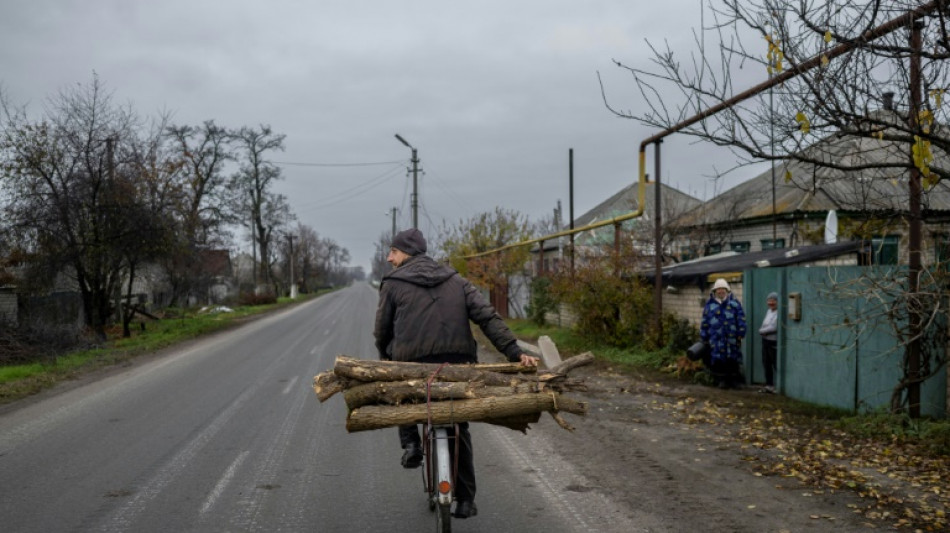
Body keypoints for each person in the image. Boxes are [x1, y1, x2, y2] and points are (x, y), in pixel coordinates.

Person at [373, 228, 539, 520]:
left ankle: (412, 443)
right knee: (458, 423)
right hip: (457, 364)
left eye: (393, 252)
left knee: (401, 389)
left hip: (413, 364)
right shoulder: (456, 279)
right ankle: (465, 501)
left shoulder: (392, 283)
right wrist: (514, 351)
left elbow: (381, 330)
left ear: (406, 253)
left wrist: (386, 357)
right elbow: (487, 317)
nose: (389, 258)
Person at [699, 278, 747, 389]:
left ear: (727, 290)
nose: (720, 291)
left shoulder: (734, 304)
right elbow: (705, 322)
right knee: (718, 359)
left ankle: (734, 381)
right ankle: (722, 381)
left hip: (731, 338)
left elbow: (741, 319)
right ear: (715, 291)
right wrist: (704, 336)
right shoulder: (710, 306)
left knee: (733, 358)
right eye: (718, 290)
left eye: (722, 289)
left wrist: (741, 332)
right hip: (716, 338)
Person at [758, 292, 779, 393]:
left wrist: (762, 331)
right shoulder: (769, 311)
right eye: (769, 300)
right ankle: (769, 385)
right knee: (766, 363)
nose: (771, 303)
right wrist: (763, 330)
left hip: (774, 342)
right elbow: (764, 324)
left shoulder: (779, 313)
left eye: (773, 300)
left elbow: (774, 327)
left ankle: (778, 386)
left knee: (775, 363)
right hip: (765, 341)